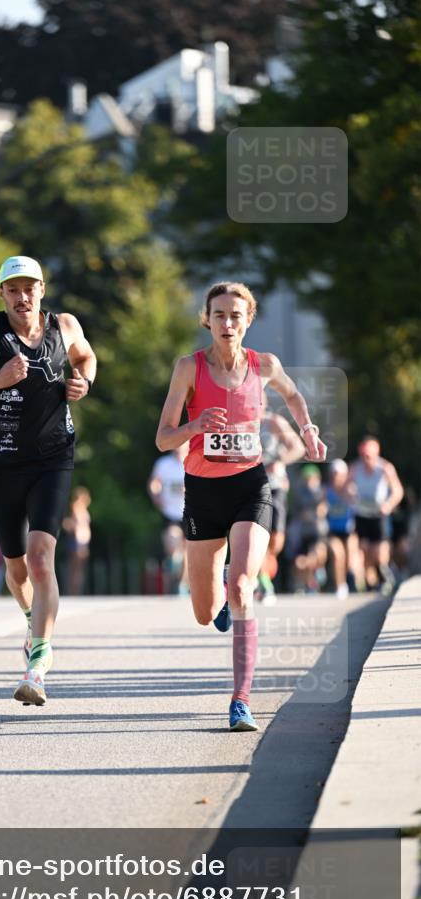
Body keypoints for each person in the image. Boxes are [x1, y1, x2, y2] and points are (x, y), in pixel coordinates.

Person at [155, 281, 326, 732]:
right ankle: (223, 599)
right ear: (207, 320)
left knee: (243, 585)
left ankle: (241, 701)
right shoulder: (188, 368)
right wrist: (195, 425)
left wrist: (307, 430)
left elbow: (292, 395)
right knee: (204, 610)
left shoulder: (264, 365)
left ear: (248, 319)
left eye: (236, 315)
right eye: (219, 315)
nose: (227, 323)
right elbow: (163, 437)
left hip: (251, 486)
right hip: (202, 494)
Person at [0, 256, 97, 706]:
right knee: (16, 569)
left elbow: (85, 356)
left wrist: (84, 380)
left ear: (42, 290)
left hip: (53, 458)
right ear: (1, 294)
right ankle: (34, 621)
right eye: (13, 289)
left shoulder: (64, 326)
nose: (23, 297)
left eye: (30, 288)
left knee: (41, 556)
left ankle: (38, 665)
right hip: (4, 462)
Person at [257, 390, 306, 603]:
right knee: (257, 536)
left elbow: (298, 448)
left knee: (276, 540)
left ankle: (264, 572)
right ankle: (264, 583)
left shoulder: (273, 423)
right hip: (251, 487)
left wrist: (280, 459)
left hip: (275, 485)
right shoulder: (237, 426)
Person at [349, 436, 403, 594]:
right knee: (364, 550)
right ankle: (371, 582)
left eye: (369, 456)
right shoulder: (355, 468)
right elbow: (343, 487)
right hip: (362, 514)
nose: (366, 460)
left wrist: (388, 505)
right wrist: (349, 496)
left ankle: (385, 576)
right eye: (364, 456)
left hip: (379, 514)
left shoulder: (385, 468)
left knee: (379, 552)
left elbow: (398, 491)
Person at [147, 443, 190, 594]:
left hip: (190, 512)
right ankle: (174, 559)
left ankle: (182, 585)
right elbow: (154, 482)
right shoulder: (163, 464)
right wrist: (156, 495)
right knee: (172, 542)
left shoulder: (193, 461)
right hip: (170, 513)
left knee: (187, 550)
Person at [324, 459, 362, 597]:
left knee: (350, 558)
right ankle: (340, 585)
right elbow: (320, 508)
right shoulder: (326, 491)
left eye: (338, 474)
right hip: (333, 531)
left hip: (349, 531)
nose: (336, 476)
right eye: (334, 474)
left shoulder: (351, 490)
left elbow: (360, 506)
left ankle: (354, 581)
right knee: (337, 554)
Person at [291, 464, 329, 594]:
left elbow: (322, 510)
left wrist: (314, 513)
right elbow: (299, 514)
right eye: (307, 479)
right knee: (301, 561)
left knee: (318, 553)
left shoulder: (322, 492)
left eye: (312, 479)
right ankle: (307, 583)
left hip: (318, 531)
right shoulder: (300, 494)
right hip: (304, 533)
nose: (309, 482)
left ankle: (318, 573)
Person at [63, 486, 92, 595]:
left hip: (82, 542)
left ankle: (75, 592)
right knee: (76, 569)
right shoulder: (76, 508)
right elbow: (72, 525)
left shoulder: (81, 509)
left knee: (78, 569)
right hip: (78, 542)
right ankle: (74, 592)